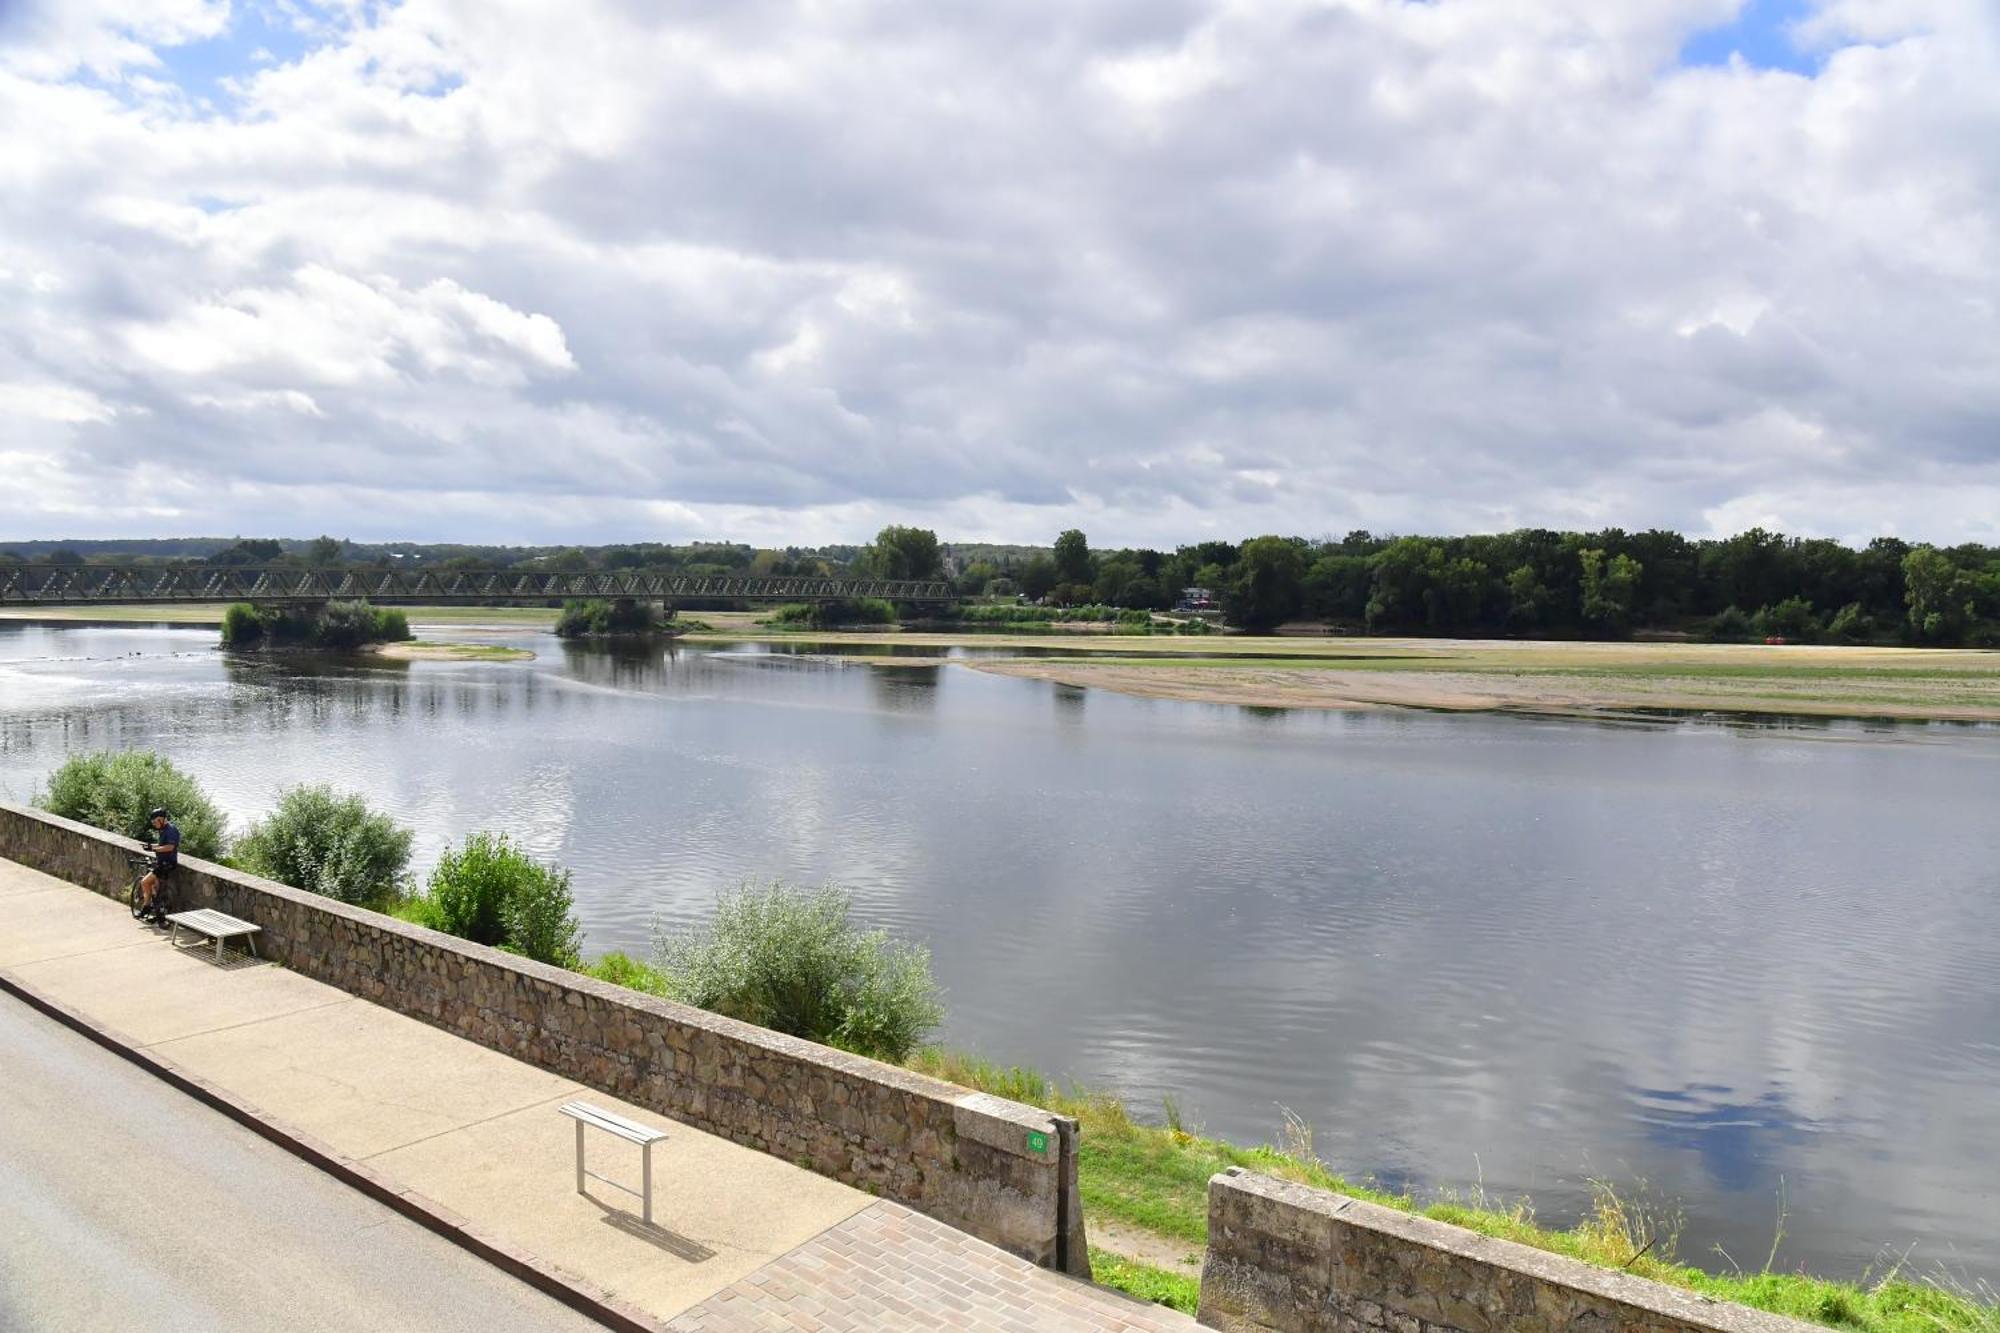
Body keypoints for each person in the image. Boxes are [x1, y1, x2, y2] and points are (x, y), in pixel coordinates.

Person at [137, 807, 180, 923]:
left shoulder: (171, 830)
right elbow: (162, 845)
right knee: (155, 887)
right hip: (163, 863)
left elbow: (170, 847)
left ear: (161, 819)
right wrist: (151, 846)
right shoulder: (164, 829)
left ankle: (146, 907)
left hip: (166, 864)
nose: (154, 825)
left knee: (144, 882)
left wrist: (153, 849)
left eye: (155, 822)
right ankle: (157, 912)